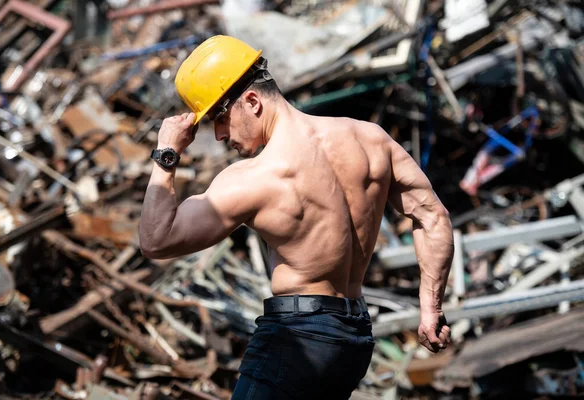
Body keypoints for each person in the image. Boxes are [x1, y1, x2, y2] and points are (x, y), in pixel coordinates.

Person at [139, 35, 454, 399]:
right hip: (353, 341)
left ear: (252, 101)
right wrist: (431, 310)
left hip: (297, 339)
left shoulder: (257, 178)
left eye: (219, 118)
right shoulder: (372, 140)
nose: (221, 135)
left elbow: (155, 240)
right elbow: (432, 216)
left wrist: (166, 155)